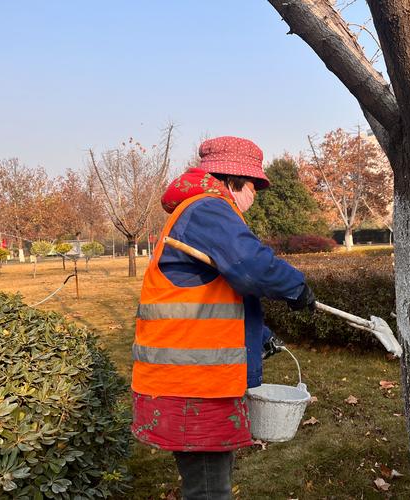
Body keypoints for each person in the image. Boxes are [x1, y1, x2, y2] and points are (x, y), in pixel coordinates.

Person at [130, 136, 315, 499]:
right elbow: (251, 267)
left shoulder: (199, 212)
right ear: (232, 182)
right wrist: (296, 287)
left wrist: (260, 335)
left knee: (209, 484)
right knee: (209, 491)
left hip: (196, 381)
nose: (255, 196)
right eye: (253, 187)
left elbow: (219, 292)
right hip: (192, 386)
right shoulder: (209, 210)